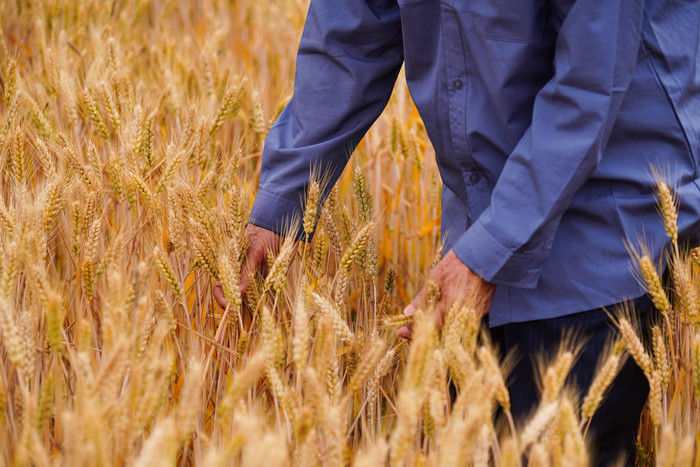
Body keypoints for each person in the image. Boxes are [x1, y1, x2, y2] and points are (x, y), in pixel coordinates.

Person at [214, 0, 700, 463]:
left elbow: (589, 84)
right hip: (478, 217)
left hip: (606, 220)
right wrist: (282, 206)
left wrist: (491, 251)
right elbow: (349, 38)